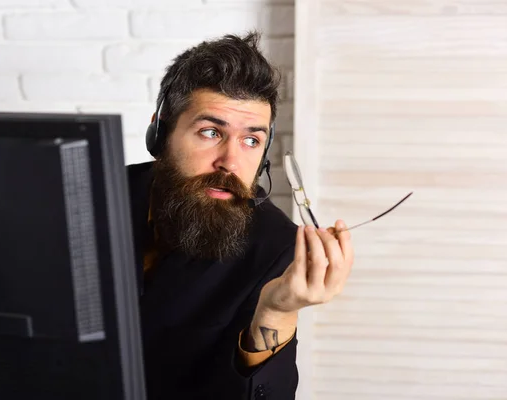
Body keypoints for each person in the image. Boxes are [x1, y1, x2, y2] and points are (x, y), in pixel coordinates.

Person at [126, 31, 354, 400]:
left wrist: (277, 312)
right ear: (160, 132)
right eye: (210, 132)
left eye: (251, 140)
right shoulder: (90, 195)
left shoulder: (277, 247)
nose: (230, 162)